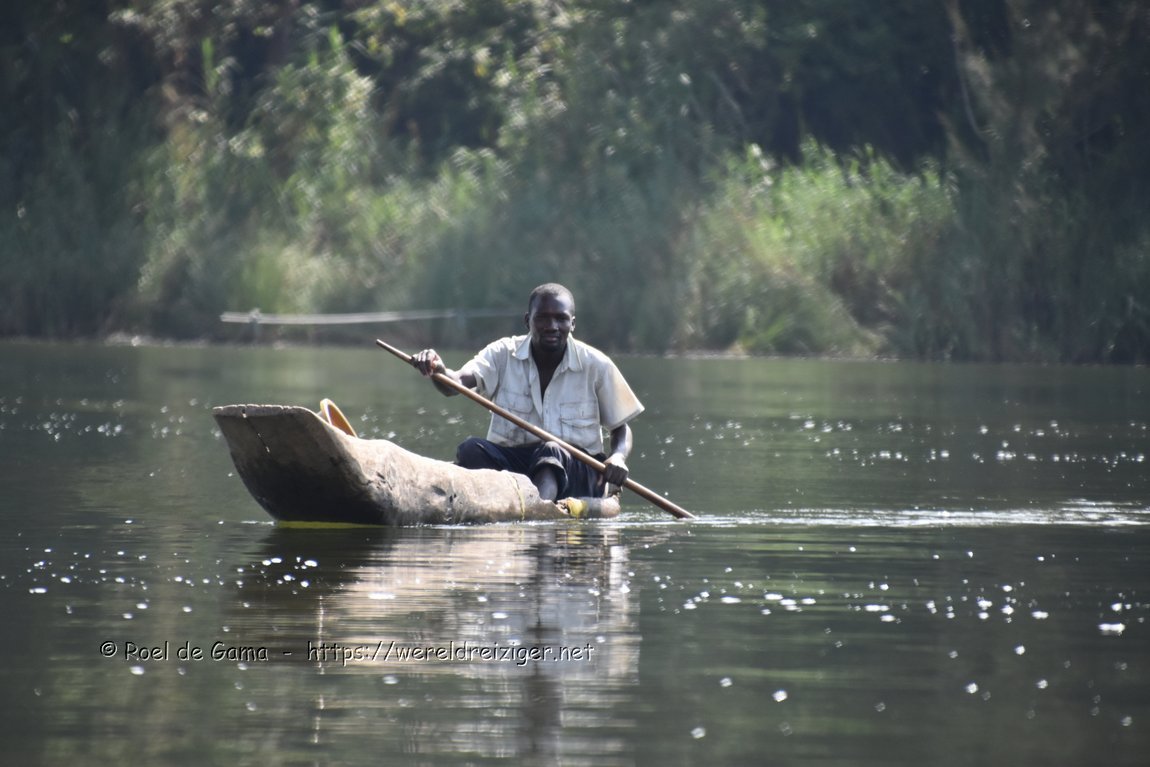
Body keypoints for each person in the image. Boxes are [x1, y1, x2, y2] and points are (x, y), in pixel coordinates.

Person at [413, 283, 643, 502]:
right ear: (527, 321)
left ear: (572, 324)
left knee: (551, 451)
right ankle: (505, 503)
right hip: (516, 467)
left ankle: (537, 513)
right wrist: (437, 370)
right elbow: (455, 384)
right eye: (542, 318)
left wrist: (618, 457)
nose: (551, 326)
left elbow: (621, 428)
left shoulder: (597, 365)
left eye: (561, 318)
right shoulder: (502, 354)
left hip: (577, 470)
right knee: (471, 449)